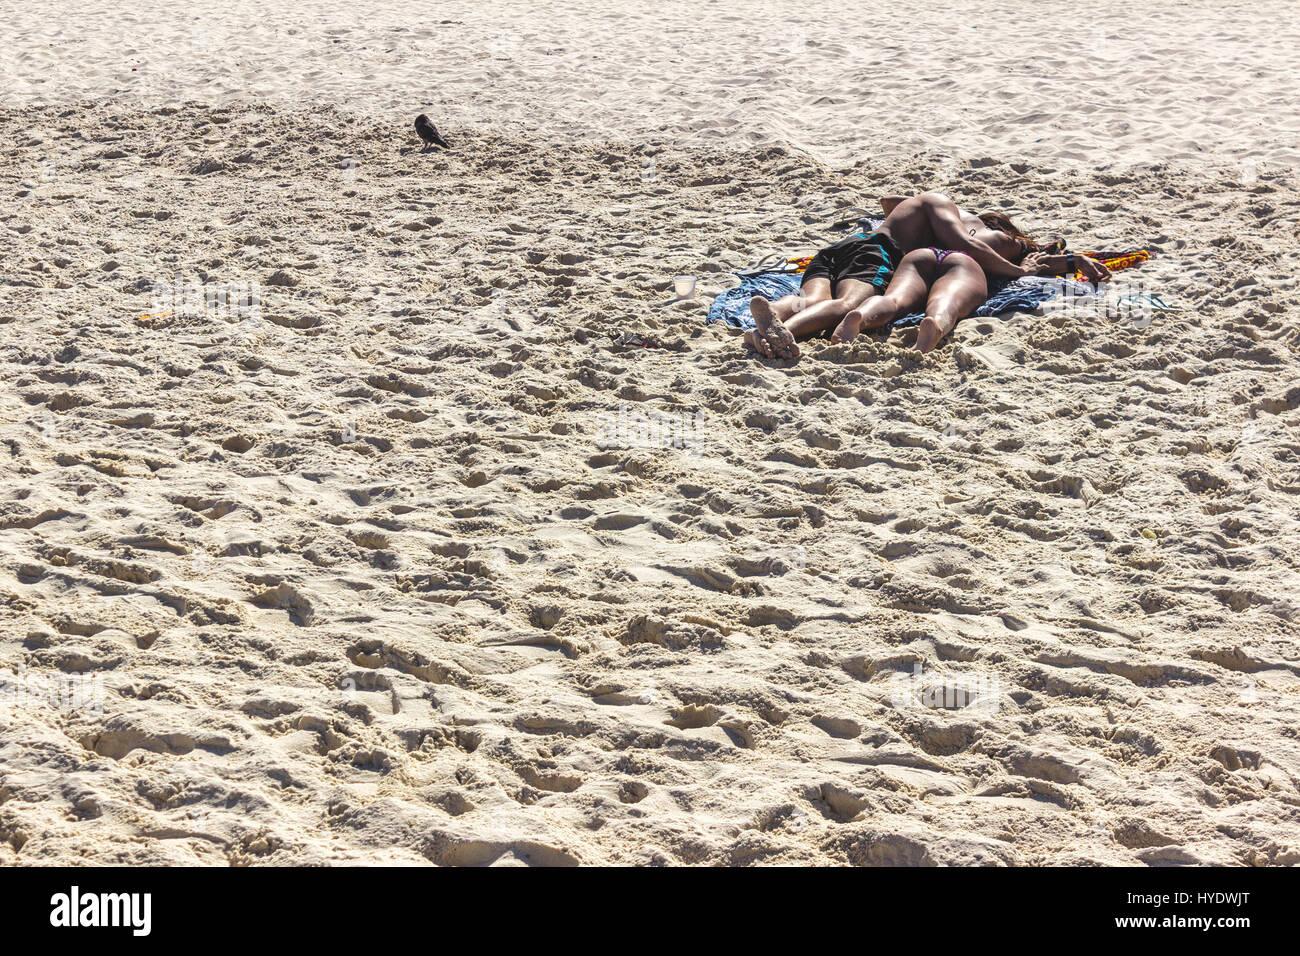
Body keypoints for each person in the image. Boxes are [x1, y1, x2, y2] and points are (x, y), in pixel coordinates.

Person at [743, 192, 1111, 358]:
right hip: (876, 252)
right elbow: (962, 244)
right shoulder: (944, 209)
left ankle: (764, 327)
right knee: (848, 303)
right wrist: (1019, 268)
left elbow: (888, 201)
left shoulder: (915, 207)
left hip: (843, 246)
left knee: (809, 299)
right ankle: (783, 335)